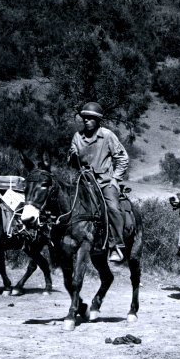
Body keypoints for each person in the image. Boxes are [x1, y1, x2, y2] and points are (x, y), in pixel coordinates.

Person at [68, 101, 129, 263]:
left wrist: (115, 179)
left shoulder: (107, 135)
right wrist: (72, 155)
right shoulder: (77, 137)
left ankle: (116, 245)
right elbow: (71, 161)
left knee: (113, 208)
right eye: (84, 118)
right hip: (83, 182)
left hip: (104, 182)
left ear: (98, 120)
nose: (86, 120)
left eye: (90, 118)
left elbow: (122, 158)